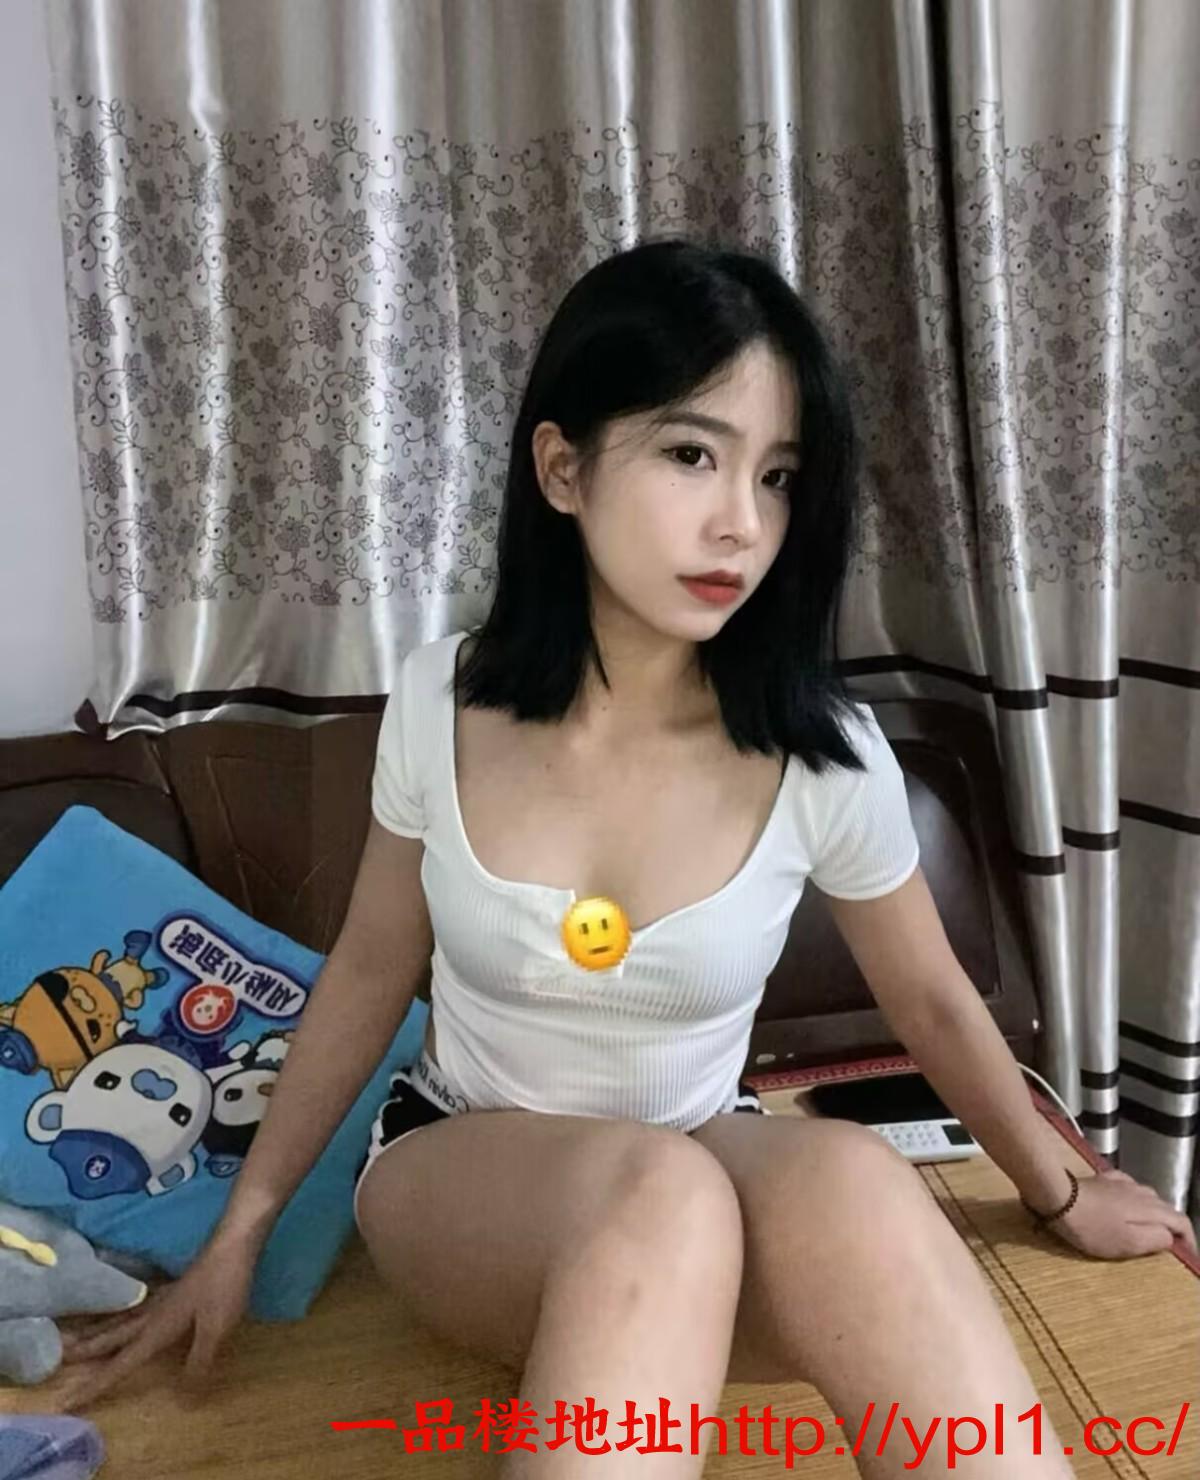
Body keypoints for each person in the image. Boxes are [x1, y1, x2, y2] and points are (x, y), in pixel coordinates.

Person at [58, 237, 1194, 1476]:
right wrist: (240, 1232)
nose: (741, 522)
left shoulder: (825, 755)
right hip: (463, 1165)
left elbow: (930, 998)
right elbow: (373, 966)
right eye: (692, 453)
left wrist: (1064, 1187)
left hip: (704, 1150)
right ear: (563, 468)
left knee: (850, 1173)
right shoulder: (443, 702)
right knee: (659, 1191)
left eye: (777, 475)